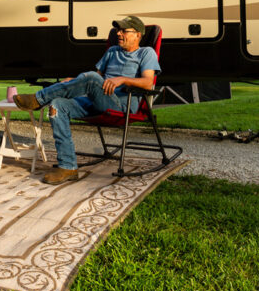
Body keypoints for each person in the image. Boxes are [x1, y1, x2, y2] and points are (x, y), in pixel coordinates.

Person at [13, 15, 159, 185]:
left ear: (137, 34)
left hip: (121, 106)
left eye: (123, 31)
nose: (118, 34)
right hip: (96, 100)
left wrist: (122, 79)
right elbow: (95, 79)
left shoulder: (146, 52)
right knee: (57, 106)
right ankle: (68, 167)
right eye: (118, 30)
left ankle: (38, 99)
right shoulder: (112, 51)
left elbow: (148, 83)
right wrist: (73, 81)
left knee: (89, 77)